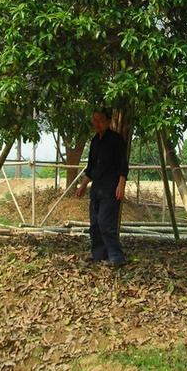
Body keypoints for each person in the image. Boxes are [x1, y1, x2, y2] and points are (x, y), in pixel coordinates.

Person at [75, 107, 129, 267]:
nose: (96, 124)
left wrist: (121, 185)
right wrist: (83, 185)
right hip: (96, 189)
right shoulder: (94, 141)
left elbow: (123, 165)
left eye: (99, 120)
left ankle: (116, 257)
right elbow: (90, 167)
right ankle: (98, 255)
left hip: (111, 188)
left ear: (108, 121)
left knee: (106, 223)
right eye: (94, 120)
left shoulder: (116, 140)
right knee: (94, 224)